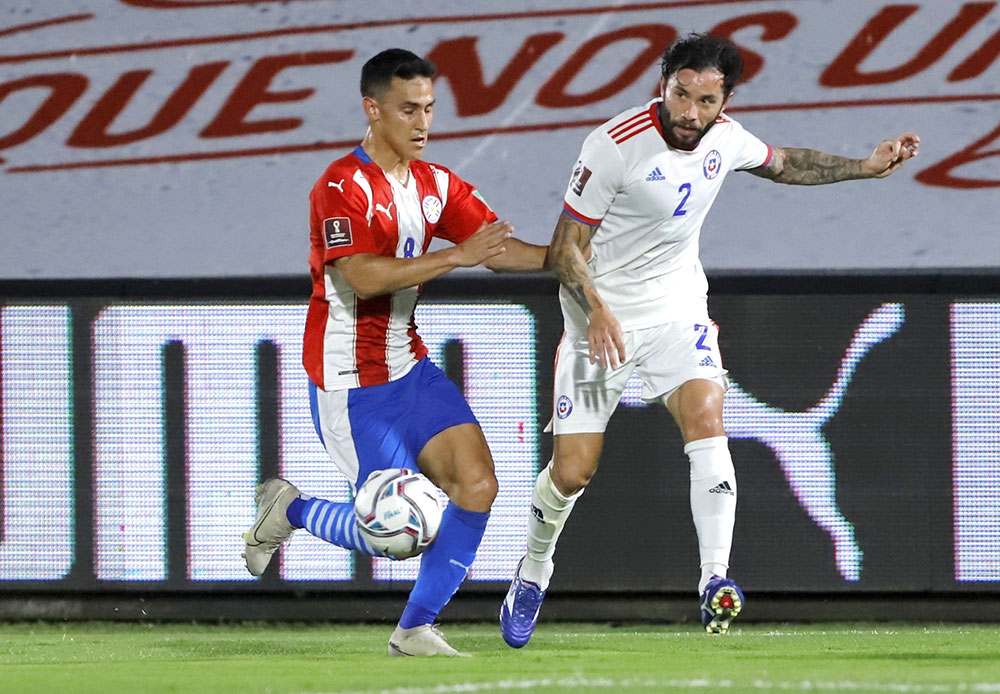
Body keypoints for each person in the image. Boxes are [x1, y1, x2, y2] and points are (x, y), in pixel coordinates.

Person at [499, 32, 920, 646]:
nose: (690, 112)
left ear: (725, 102)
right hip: (599, 320)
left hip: (677, 312)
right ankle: (534, 569)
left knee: (706, 416)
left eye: (705, 100)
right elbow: (564, 249)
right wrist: (598, 309)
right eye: (681, 94)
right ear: (662, 86)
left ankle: (714, 579)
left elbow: (785, 163)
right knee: (572, 472)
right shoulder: (613, 146)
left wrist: (864, 167)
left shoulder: (725, 137)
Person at [242, 48, 547, 657]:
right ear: (372, 109)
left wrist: (570, 257)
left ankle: (413, 630)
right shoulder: (340, 185)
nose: (423, 123)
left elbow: (495, 249)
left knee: (477, 485)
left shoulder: (435, 184)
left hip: (409, 366)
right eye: (409, 109)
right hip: (351, 381)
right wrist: (456, 256)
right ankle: (291, 509)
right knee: (395, 532)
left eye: (429, 108)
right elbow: (360, 275)